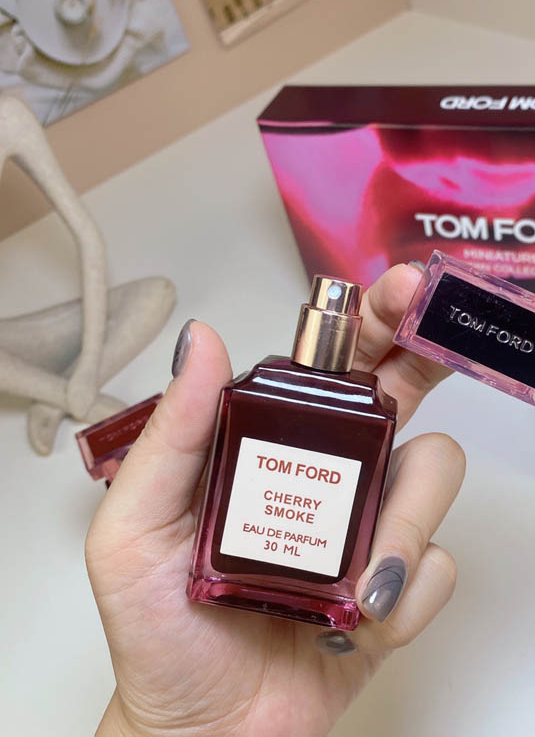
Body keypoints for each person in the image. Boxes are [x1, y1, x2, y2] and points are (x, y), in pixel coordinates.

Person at [86, 263, 466, 736]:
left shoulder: (369, 405)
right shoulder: (259, 386)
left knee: (424, 467)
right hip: (217, 596)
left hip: (283, 622)